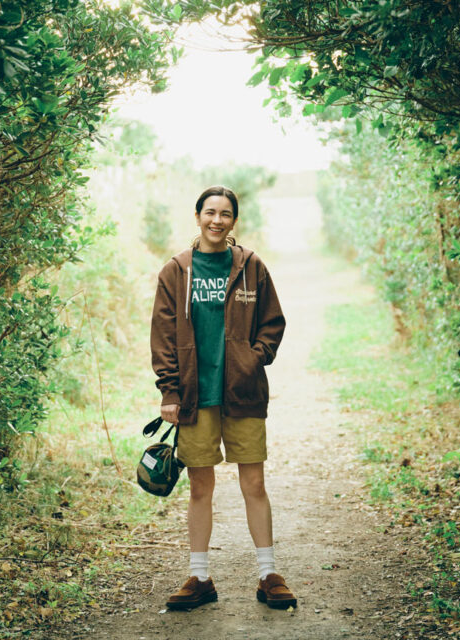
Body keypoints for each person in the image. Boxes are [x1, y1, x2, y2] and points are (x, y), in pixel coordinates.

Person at [150, 185, 296, 611]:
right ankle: (199, 579)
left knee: (254, 482)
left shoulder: (251, 267)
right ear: (197, 216)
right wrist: (169, 390)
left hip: (243, 392)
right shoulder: (176, 271)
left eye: (225, 213)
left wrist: (253, 358)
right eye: (210, 212)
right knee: (200, 486)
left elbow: (273, 322)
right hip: (195, 396)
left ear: (234, 220)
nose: (217, 220)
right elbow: (162, 335)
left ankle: (268, 574)